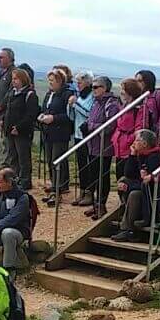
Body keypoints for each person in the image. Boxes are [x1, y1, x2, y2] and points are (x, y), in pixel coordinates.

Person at [114, 129, 160, 240]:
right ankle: (126, 221)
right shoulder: (141, 155)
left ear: (144, 144)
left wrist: (129, 186)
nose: (133, 143)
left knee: (134, 194)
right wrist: (132, 155)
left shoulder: (155, 158)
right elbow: (129, 174)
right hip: (142, 188)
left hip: (150, 194)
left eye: (136, 140)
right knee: (123, 180)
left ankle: (129, 229)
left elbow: (148, 183)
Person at [83, 76, 121, 218]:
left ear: (104, 88)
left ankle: (102, 205)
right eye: (92, 87)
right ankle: (95, 204)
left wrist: (91, 126)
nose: (93, 90)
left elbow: (110, 125)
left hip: (104, 147)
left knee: (102, 177)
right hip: (92, 145)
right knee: (93, 175)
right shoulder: (96, 103)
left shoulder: (111, 104)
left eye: (95, 87)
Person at [110, 77, 149, 205]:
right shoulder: (124, 106)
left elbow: (139, 128)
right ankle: (122, 201)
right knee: (119, 175)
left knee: (128, 176)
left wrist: (129, 141)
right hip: (119, 146)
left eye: (123, 89)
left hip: (129, 148)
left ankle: (128, 203)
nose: (121, 92)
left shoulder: (139, 109)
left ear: (130, 92)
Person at [39, 69, 74, 206]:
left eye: (52, 80)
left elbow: (69, 116)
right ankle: (54, 186)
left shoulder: (67, 94)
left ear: (60, 81)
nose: (50, 83)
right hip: (48, 132)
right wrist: (42, 116)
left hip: (60, 133)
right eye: (49, 80)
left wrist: (53, 118)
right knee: (49, 160)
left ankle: (58, 190)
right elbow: (45, 108)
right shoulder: (49, 94)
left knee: (57, 160)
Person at [3, 66, 40, 190]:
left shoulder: (30, 95)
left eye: (16, 79)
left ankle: (25, 181)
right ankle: (15, 179)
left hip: (22, 132)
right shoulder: (12, 93)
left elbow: (30, 115)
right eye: (12, 79)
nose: (13, 81)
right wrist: (4, 121)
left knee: (23, 157)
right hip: (9, 130)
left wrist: (18, 127)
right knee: (13, 157)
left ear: (23, 80)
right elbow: (8, 110)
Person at [69, 72, 97, 205]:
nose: (77, 85)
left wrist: (76, 105)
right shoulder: (80, 95)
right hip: (77, 134)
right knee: (81, 165)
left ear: (87, 82)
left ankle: (89, 192)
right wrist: (70, 106)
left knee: (89, 165)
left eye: (79, 82)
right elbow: (72, 116)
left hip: (87, 135)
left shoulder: (92, 96)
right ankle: (82, 190)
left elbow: (89, 114)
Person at [0, 47, 16, 168]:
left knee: (6, 142)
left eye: (1, 57)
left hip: (6, 113)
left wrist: (1, 105)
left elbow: (11, 92)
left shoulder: (13, 73)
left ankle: (5, 169)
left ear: (9, 58)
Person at [136, 70, 160, 142]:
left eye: (140, 81)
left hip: (153, 135)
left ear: (148, 81)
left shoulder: (158, 96)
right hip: (139, 134)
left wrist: (158, 134)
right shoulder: (138, 97)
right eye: (136, 81)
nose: (137, 84)